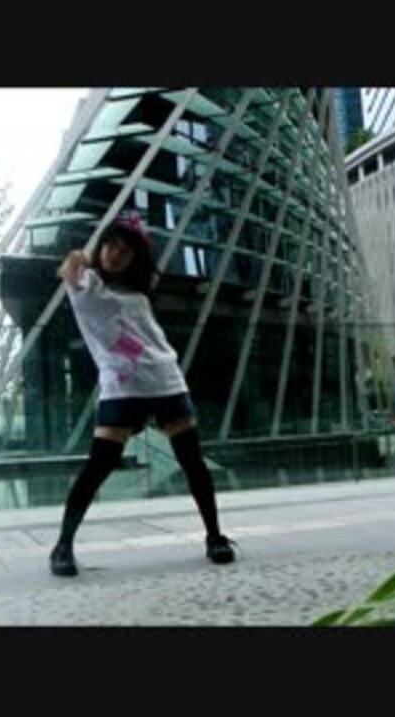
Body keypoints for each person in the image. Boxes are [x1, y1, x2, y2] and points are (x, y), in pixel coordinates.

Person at [49, 214, 236, 576]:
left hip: (165, 378)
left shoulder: (138, 290)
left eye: (125, 250)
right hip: (122, 385)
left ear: (135, 257)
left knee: (192, 461)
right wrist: (78, 256)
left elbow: (147, 331)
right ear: (102, 245)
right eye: (112, 246)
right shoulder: (87, 282)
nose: (116, 254)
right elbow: (71, 273)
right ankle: (62, 546)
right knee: (99, 465)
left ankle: (215, 536)